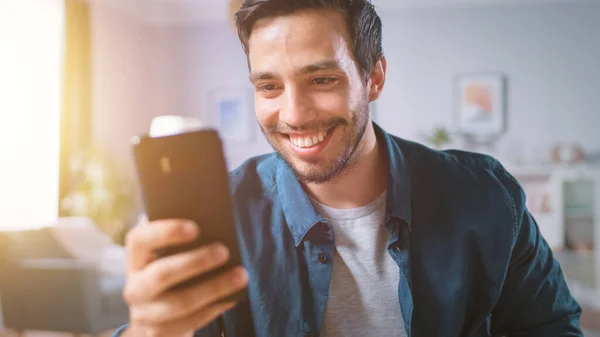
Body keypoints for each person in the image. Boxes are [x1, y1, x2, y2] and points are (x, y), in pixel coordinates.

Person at [113, 0, 583, 336]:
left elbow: (553, 327)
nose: (294, 114)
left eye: (321, 79)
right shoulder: (224, 212)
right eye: (270, 86)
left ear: (374, 76)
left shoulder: (487, 195)